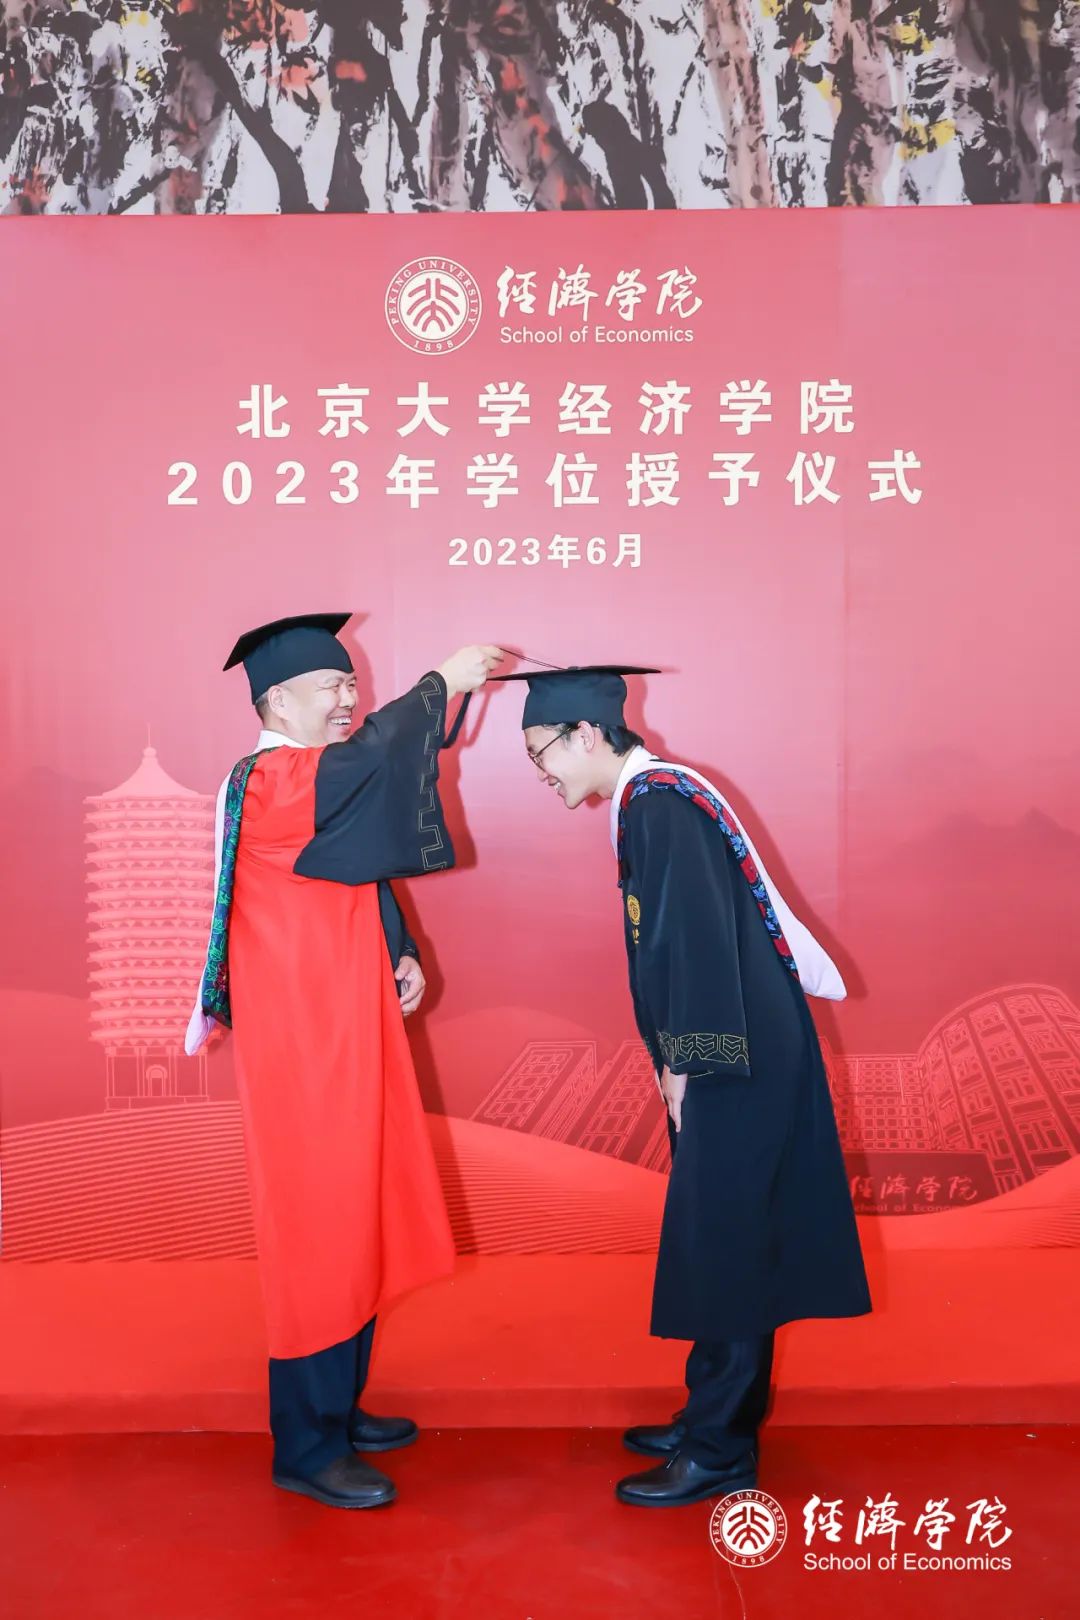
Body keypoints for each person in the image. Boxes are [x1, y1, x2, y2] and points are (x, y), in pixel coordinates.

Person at [495, 664, 871, 1507]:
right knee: (721, 1233)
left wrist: (687, 1063)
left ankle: (720, 1449)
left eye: (540, 753)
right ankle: (712, 1413)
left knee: (728, 1240)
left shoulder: (660, 805)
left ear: (585, 734)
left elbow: (695, 941)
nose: (541, 772)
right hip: (736, 1045)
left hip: (732, 1055)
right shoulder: (651, 799)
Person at [186, 613, 503, 1509]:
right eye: (331, 686)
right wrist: (442, 684)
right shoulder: (269, 780)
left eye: (352, 685)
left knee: (358, 1205)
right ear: (276, 701)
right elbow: (366, 766)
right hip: (303, 1045)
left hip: (346, 1025)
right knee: (320, 1226)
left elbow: (359, 861)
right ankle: (307, 1442)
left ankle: (341, 1407)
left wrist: (399, 949)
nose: (348, 700)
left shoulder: (309, 781)